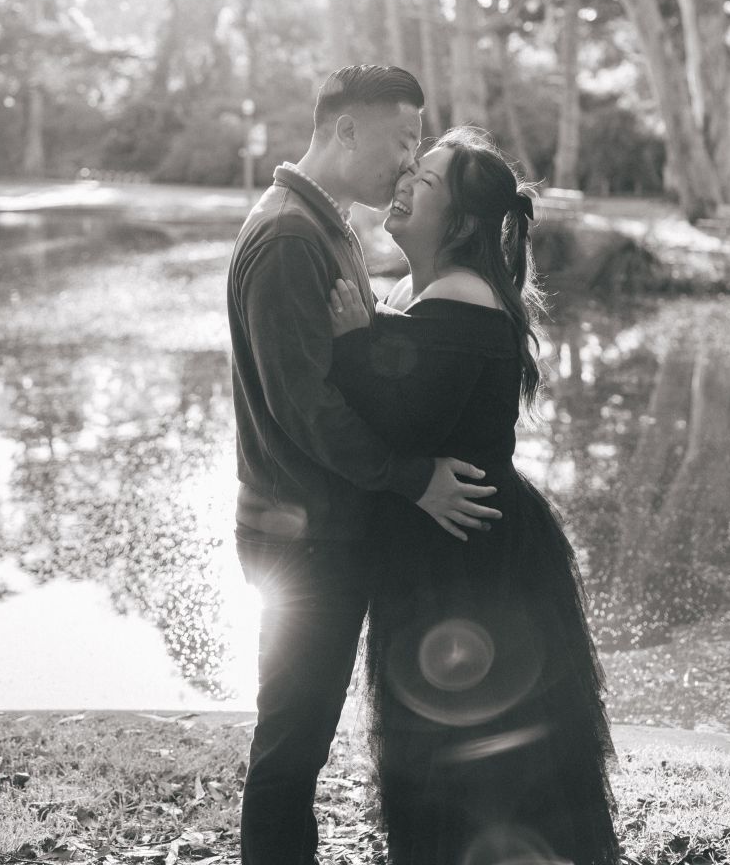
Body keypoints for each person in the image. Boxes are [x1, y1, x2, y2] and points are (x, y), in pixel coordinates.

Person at [227, 67, 501, 865]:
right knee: (290, 748)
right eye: (404, 139)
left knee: (299, 739)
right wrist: (414, 479)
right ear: (347, 131)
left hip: (325, 527)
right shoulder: (287, 238)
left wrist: (374, 328)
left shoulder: (328, 225)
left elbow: (339, 365)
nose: (410, 159)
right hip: (301, 537)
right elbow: (304, 409)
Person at [327, 127, 620, 865]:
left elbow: (402, 419)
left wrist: (354, 341)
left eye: (420, 183)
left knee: (472, 755)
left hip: (470, 566)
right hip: (445, 544)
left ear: (456, 223)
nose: (401, 182)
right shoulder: (416, 290)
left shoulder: (462, 296)